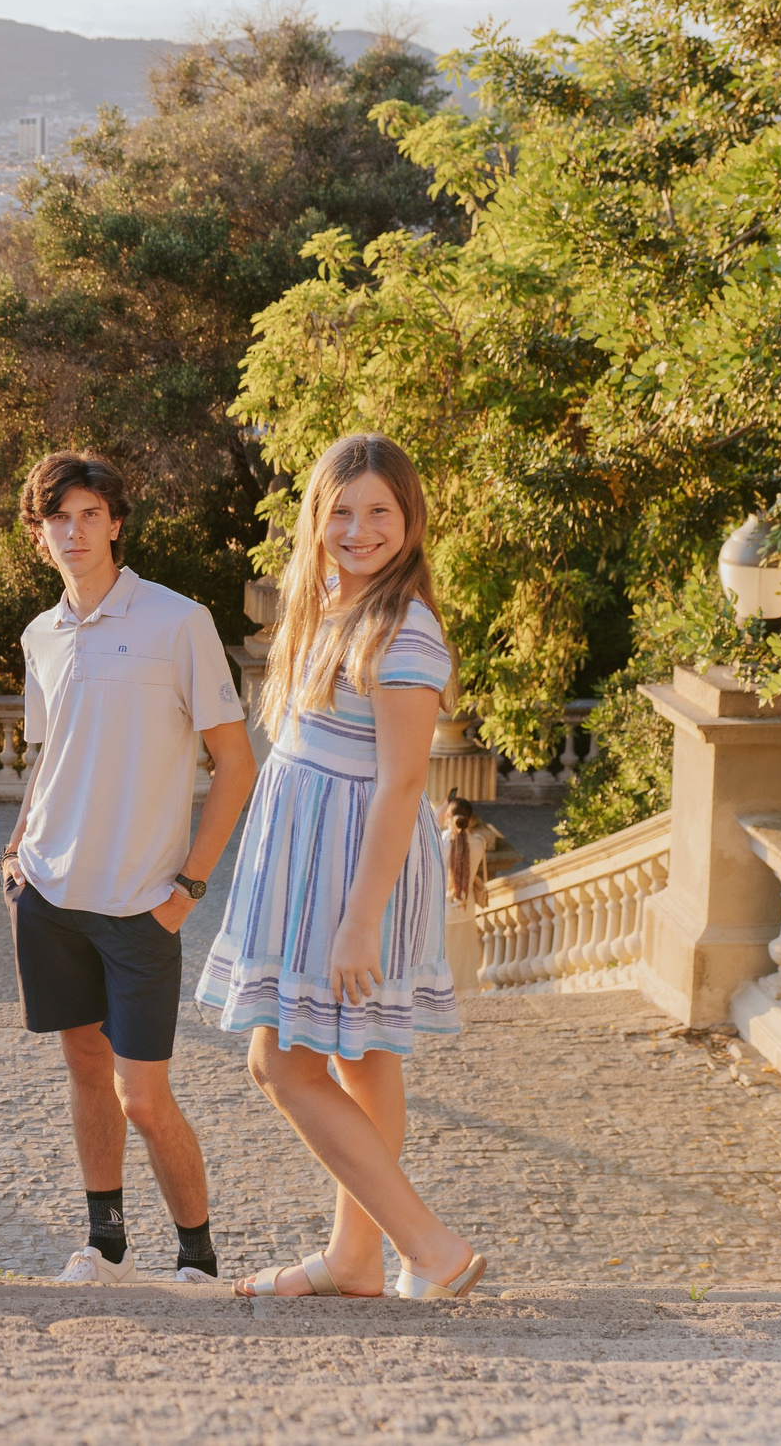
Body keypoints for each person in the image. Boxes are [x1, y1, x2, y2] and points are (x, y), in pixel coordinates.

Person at [195, 433, 487, 1300]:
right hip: (313, 859)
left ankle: (430, 1246)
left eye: (380, 512)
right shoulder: (328, 604)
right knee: (365, 1063)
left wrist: (359, 919)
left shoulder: (404, 628)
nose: (359, 530)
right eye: (342, 511)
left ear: (411, 520)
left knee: (279, 1064)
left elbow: (402, 782)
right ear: (316, 518)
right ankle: (356, 1258)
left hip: (352, 871)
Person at [0, 452, 258, 1285]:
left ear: (115, 521)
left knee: (142, 1095)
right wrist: (17, 853)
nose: (72, 531)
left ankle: (199, 1257)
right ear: (40, 537)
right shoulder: (42, 634)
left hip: (143, 904)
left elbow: (235, 762)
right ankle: (104, 1244)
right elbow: (49, 754)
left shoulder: (178, 620)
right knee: (84, 1070)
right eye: (56, 519)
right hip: (50, 895)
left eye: (87, 514)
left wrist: (187, 888)